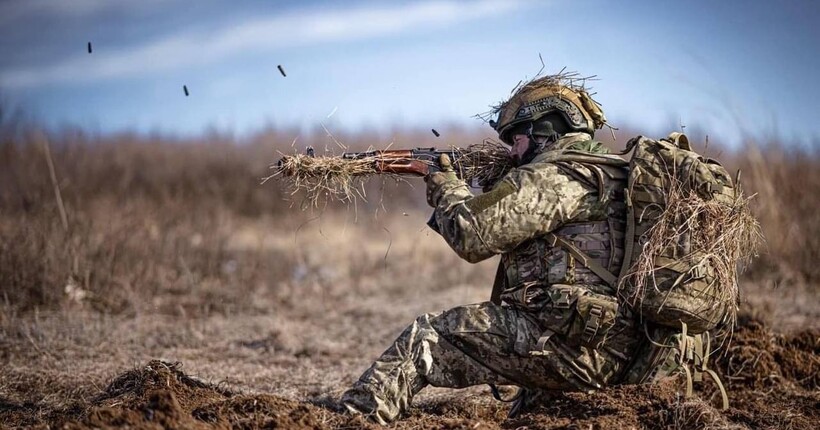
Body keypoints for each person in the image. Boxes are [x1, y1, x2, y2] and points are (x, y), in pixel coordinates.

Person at [339, 74, 652, 424]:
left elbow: (472, 237)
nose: (513, 151)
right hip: (618, 348)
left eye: (516, 139)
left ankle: (354, 417)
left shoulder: (556, 176)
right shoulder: (607, 174)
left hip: (576, 350)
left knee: (426, 338)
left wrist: (445, 187)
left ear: (545, 130)